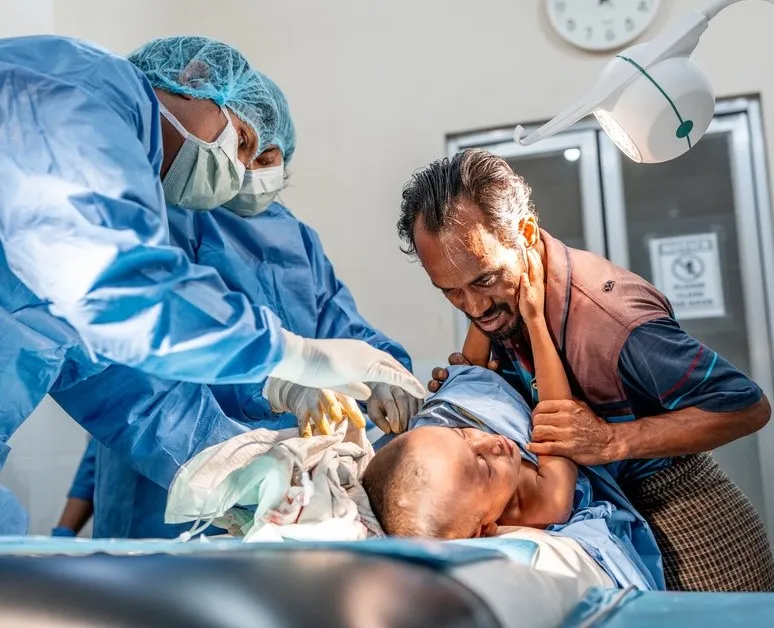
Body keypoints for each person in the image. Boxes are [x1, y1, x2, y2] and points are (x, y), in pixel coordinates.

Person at [0, 35, 424, 532]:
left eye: (262, 158)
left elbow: (118, 382)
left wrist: (230, 469)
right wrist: (286, 361)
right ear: (194, 78)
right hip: (148, 516)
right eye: (242, 142)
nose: (240, 170)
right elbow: (130, 290)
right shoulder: (81, 94)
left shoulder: (281, 235)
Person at [396, 148, 773, 591]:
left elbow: (746, 406)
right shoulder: (506, 302)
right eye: (451, 292)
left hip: (691, 533)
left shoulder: (610, 321)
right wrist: (479, 393)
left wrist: (612, 440)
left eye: (483, 280)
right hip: (621, 526)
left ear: (525, 233)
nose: (474, 307)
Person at [362, 249, 662, 590]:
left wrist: (485, 314)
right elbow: (555, 413)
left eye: (464, 438)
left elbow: (470, 377)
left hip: (464, 410)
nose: (491, 442)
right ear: (484, 529)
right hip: (553, 426)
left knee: (458, 388)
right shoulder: (542, 502)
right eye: (485, 466)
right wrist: (534, 321)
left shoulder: (455, 462)